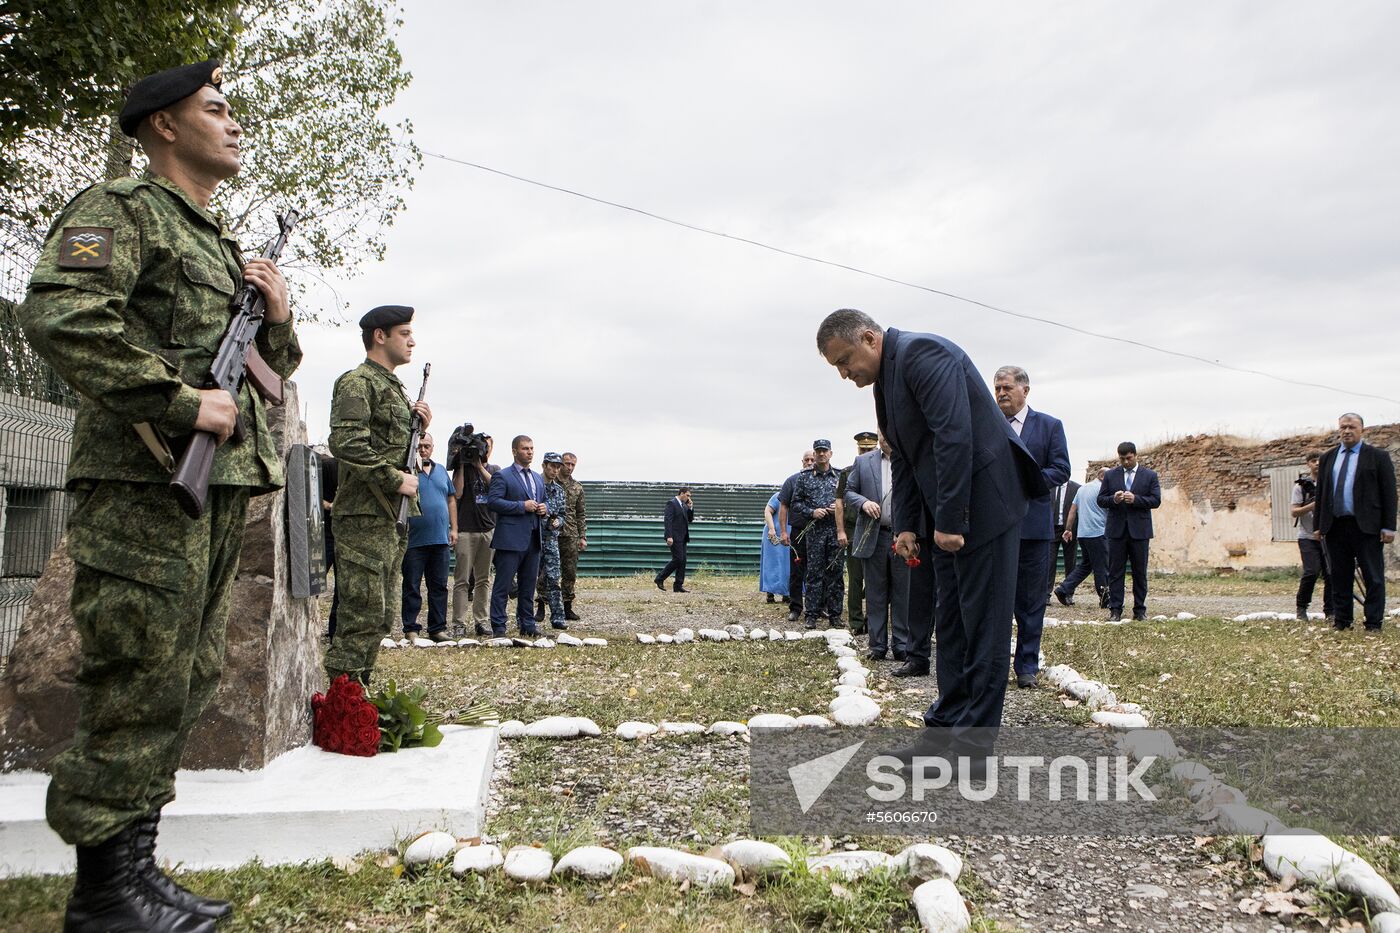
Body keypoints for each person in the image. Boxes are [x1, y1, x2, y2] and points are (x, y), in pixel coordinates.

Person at [17, 60, 302, 931]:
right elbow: (62, 314)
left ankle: (136, 868)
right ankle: (104, 895)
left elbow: (270, 376)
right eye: (215, 108)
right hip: (145, 482)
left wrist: (278, 319)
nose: (235, 122)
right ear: (165, 126)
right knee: (137, 674)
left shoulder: (217, 241)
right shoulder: (122, 210)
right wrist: (179, 401)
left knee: (186, 675)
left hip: (217, 487)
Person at [817, 309, 1043, 756]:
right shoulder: (885, 382)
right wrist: (906, 526)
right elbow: (904, 456)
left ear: (869, 338)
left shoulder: (923, 353)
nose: (845, 374)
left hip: (984, 509)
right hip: (947, 516)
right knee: (952, 626)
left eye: (845, 361)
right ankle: (941, 735)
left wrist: (951, 522)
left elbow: (954, 437)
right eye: (837, 368)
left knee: (984, 629)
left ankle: (973, 748)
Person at [326, 305, 431, 681]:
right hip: (364, 515)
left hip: (390, 516)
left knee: (381, 615)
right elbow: (347, 442)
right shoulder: (358, 382)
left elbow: (391, 445)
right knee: (361, 614)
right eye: (405, 333)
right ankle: (341, 700)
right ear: (380, 336)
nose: (412, 341)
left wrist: (420, 426)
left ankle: (358, 694)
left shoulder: (394, 388)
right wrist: (393, 479)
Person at [993, 365, 1070, 688]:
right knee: (996, 601)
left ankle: (1026, 666)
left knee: (1030, 602)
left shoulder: (1049, 426)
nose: (1001, 394)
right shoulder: (989, 424)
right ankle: (994, 666)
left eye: (1007, 388)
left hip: (1034, 527)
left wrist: (1028, 481)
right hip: (995, 528)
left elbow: (1061, 468)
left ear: (1025, 390)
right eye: (997, 388)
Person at [1315, 413, 1396, 631]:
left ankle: (1373, 623)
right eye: (1343, 427)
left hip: (1367, 527)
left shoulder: (1377, 457)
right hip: (1335, 526)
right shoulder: (1328, 458)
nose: (1347, 431)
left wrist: (1389, 526)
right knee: (1339, 576)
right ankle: (1342, 621)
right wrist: (1318, 525)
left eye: (1352, 427)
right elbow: (1321, 493)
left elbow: (1389, 493)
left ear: (1362, 430)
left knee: (1373, 577)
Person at [844, 433, 910, 661]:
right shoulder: (863, 462)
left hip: (902, 536)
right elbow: (848, 492)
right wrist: (863, 503)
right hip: (874, 535)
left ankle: (901, 644)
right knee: (875, 593)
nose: (886, 437)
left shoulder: (908, 457)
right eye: (882, 432)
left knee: (902, 593)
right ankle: (877, 645)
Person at [487, 435, 546, 636]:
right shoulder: (502, 476)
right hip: (510, 540)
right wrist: (522, 506)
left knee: (528, 586)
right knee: (503, 586)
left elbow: (544, 501)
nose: (529, 452)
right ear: (514, 451)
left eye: (531, 448)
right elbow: (493, 502)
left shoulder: (537, 478)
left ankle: (527, 625)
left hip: (533, 539)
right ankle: (499, 626)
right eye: (525, 448)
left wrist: (544, 508)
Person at [400, 434, 456, 641]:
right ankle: (411, 628)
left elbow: (451, 499)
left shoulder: (441, 471)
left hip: (440, 539)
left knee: (439, 586)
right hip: (414, 540)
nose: (423, 450)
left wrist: (454, 528)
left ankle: (437, 628)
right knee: (412, 585)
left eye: (427, 446)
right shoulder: (407, 472)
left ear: (433, 447)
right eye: (420, 446)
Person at [1098, 441, 1161, 622]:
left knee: (1139, 572)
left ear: (1135, 455)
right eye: (1122, 459)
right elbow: (1101, 500)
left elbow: (1156, 500)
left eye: (1129, 458)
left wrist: (1136, 499)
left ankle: (1139, 610)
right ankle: (1115, 610)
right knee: (1115, 572)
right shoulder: (1110, 475)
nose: (1126, 462)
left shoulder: (1149, 475)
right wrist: (1114, 499)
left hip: (1140, 532)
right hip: (1116, 531)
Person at [789, 439, 846, 629]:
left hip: (835, 530)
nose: (821, 454)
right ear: (814, 454)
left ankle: (835, 615)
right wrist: (812, 512)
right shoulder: (804, 477)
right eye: (818, 451)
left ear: (830, 454)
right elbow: (795, 503)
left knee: (836, 574)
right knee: (814, 574)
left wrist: (839, 507)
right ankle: (811, 615)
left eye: (824, 451)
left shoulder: (840, 476)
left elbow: (848, 499)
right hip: (814, 532)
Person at [453, 434, 500, 636]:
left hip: (487, 529)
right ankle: (459, 623)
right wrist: (463, 464)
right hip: (465, 529)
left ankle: (481, 621)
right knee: (462, 580)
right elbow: (457, 493)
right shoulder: (462, 467)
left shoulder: (495, 470)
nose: (483, 450)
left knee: (483, 579)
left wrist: (479, 466)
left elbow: (496, 488)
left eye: (486, 447)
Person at [834, 431, 879, 634]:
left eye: (870, 449)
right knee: (855, 578)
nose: (866, 452)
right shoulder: (847, 472)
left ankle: (873, 619)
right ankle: (856, 622)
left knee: (876, 578)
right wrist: (841, 531)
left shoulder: (884, 470)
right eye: (863, 449)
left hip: (877, 528)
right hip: (854, 529)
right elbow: (839, 504)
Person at [1054, 469, 1110, 608]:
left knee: (1086, 565)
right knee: (1101, 566)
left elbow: (1072, 510)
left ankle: (1063, 589)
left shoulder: (1082, 489)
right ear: (1102, 476)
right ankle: (1105, 598)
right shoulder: (1103, 489)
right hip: (1098, 532)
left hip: (1083, 534)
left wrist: (1068, 529)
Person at [1290, 452, 1333, 621]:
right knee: (1311, 571)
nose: (1317, 464)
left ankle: (1330, 611)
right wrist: (1314, 505)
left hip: (1327, 537)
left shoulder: (1330, 484)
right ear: (1308, 464)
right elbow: (1294, 512)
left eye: (1320, 461)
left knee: (1331, 574)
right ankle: (1301, 607)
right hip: (1307, 537)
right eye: (1314, 461)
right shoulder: (1301, 486)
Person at [777, 450, 815, 622]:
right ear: (802, 462)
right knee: (797, 572)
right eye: (807, 459)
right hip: (798, 532)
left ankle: (818, 607)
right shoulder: (792, 481)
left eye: (812, 459)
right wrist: (784, 532)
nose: (809, 462)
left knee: (818, 572)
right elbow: (783, 507)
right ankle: (796, 608)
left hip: (819, 532)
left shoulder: (825, 480)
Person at [537, 452, 570, 628]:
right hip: (533, 538)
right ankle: (524, 618)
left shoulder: (559, 490)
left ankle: (557, 618)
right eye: (552, 466)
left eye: (558, 467)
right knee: (528, 580)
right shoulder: (534, 485)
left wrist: (559, 521)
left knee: (554, 579)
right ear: (544, 465)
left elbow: (563, 514)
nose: (555, 470)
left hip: (551, 539)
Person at [557, 452, 588, 621]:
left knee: (569, 572)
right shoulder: (548, 482)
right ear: (560, 463)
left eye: (572, 465)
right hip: (551, 533)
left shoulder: (577, 487)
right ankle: (541, 606)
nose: (569, 467)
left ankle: (567, 607)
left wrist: (582, 536)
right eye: (567, 463)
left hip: (570, 535)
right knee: (546, 572)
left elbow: (580, 513)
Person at [655, 487, 696, 592]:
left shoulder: (684, 506)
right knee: (678, 559)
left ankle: (678, 585)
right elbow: (668, 520)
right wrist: (669, 536)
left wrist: (690, 508)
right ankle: (660, 578)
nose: (689, 498)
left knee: (683, 561)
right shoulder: (671, 503)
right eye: (687, 495)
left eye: (689, 496)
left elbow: (690, 519)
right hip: (674, 537)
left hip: (683, 537)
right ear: (681, 493)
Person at [319, 450, 341, 639]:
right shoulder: (328, 466)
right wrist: (330, 506)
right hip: (325, 533)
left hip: (347, 537)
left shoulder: (359, 469)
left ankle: (335, 632)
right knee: (315, 583)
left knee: (343, 588)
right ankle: (308, 625)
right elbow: (312, 495)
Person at [1048, 479, 1080, 593]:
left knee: (1070, 561)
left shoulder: (1077, 488)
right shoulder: (1050, 486)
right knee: (1050, 561)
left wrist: (1072, 528)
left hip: (1070, 529)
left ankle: (1068, 592)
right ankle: (1047, 593)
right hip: (1052, 528)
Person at [760, 491, 790, 602]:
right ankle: (770, 592)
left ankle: (786, 593)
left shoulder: (798, 498)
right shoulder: (778, 496)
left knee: (787, 564)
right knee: (771, 563)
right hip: (774, 535)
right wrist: (772, 529)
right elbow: (767, 511)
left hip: (789, 535)